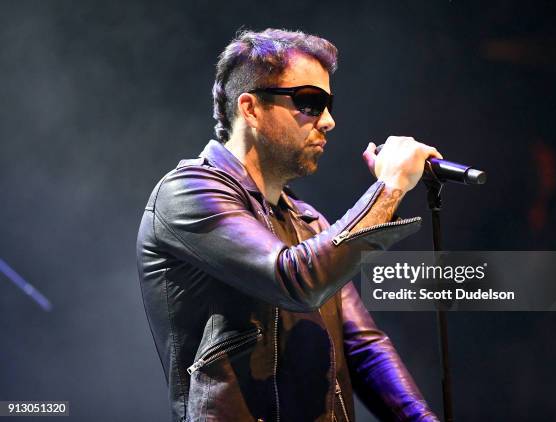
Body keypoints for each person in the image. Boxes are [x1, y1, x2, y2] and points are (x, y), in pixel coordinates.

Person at [137, 28, 441, 422]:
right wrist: (391, 187)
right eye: (310, 103)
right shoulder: (187, 193)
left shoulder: (309, 222)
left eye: (328, 104)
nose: (329, 121)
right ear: (250, 109)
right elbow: (294, 278)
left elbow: (364, 347)